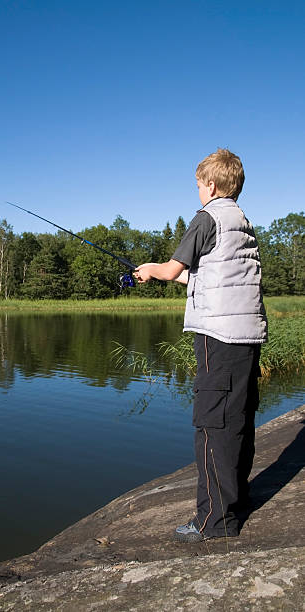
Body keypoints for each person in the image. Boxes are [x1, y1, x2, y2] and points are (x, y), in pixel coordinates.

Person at [134, 148, 267, 542]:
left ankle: (214, 522)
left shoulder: (206, 217)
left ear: (210, 184)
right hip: (247, 335)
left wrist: (153, 270)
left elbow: (174, 268)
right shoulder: (241, 220)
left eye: (197, 184)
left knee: (211, 424)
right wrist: (161, 276)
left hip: (217, 337)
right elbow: (205, 276)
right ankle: (236, 500)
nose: (196, 191)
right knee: (238, 419)